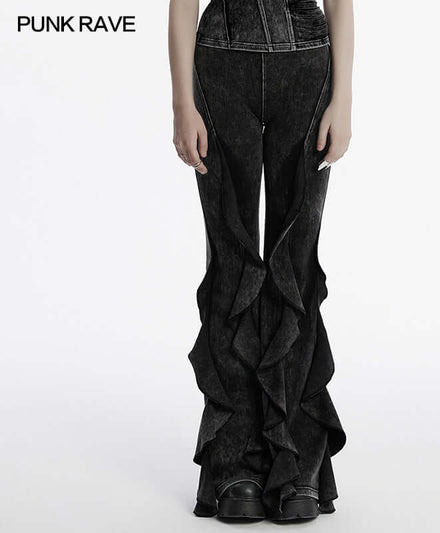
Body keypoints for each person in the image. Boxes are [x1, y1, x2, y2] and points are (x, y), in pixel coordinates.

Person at [168, 0, 353, 521]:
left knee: (294, 267)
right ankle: (236, 464)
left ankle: (297, 466)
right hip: (219, 66)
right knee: (233, 263)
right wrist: (182, 102)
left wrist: (343, 99)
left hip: (308, 67)